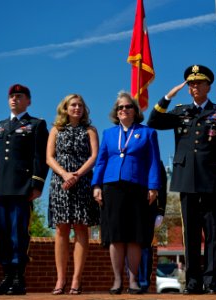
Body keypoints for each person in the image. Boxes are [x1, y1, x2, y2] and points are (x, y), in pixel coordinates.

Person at [147, 64, 216, 294]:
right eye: (191, 84)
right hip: (186, 178)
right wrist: (168, 96)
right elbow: (154, 121)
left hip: (212, 178)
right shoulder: (180, 111)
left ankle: (211, 281)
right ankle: (194, 281)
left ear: (208, 86)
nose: (194, 87)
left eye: (199, 83)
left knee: (214, 233)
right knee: (191, 233)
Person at [91, 91, 161, 295]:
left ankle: (133, 281)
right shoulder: (108, 134)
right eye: (120, 107)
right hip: (112, 187)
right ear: (116, 112)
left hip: (137, 187)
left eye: (128, 106)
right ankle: (117, 280)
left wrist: (153, 186)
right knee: (116, 236)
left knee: (134, 237)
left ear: (135, 110)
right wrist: (96, 186)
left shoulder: (147, 133)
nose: (123, 110)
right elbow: (101, 161)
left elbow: (153, 162)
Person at [0, 84, 49, 295]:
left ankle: (18, 279)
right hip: (0, 188)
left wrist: (37, 183)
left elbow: (40, 157)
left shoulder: (36, 124)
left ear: (28, 101)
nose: (14, 99)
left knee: (18, 234)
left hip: (21, 188)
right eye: (11, 96)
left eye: (19, 96)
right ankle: (6, 278)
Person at [46, 94, 100, 295]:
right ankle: (60, 280)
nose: (77, 108)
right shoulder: (56, 130)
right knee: (61, 229)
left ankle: (76, 280)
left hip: (83, 181)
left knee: (80, 228)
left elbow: (94, 156)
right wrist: (65, 174)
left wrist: (76, 175)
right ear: (65, 108)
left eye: (80, 105)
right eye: (73, 105)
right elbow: (49, 158)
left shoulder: (90, 130)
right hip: (60, 183)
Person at [138, 160, 167, 293]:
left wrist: (161, 211)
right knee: (129, 245)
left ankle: (143, 283)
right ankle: (133, 281)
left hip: (149, 207)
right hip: (130, 206)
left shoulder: (155, 161)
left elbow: (162, 186)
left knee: (144, 246)